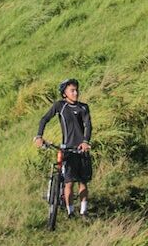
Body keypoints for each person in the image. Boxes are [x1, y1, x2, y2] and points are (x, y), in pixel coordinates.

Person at [35, 78, 92, 219]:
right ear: (64, 93)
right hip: (67, 149)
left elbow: (88, 126)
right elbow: (44, 119)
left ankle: (84, 211)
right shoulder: (60, 106)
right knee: (69, 182)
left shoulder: (83, 107)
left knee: (83, 182)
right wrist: (39, 136)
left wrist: (85, 141)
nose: (76, 93)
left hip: (81, 149)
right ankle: (70, 211)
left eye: (76, 90)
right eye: (72, 90)